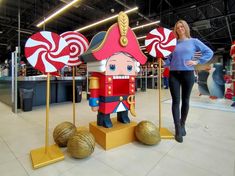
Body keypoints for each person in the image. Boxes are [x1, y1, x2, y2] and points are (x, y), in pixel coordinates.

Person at [164, 20, 213, 143]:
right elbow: (169, 60)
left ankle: (182, 124)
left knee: (185, 100)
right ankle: (177, 129)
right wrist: (163, 61)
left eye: (181, 26)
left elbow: (209, 52)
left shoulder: (194, 41)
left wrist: (197, 61)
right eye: (177, 27)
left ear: (185, 28)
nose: (180, 29)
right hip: (174, 74)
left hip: (188, 74)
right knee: (176, 101)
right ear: (175, 30)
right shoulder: (172, 44)